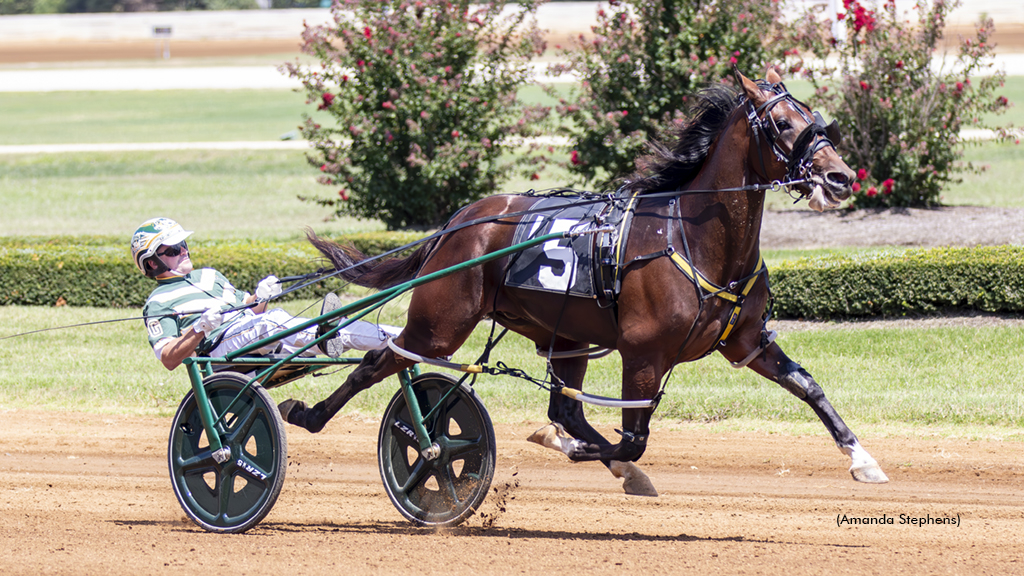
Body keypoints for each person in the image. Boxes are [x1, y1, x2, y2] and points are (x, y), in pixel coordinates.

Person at [131, 217, 401, 370]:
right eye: (173, 250)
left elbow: (248, 309)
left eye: (183, 245)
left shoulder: (209, 275)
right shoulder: (157, 303)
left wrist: (260, 297)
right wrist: (199, 329)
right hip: (217, 353)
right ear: (152, 263)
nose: (184, 251)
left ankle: (401, 338)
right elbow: (168, 358)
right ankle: (322, 338)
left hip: (249, 336)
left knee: (332, 325)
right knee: (272, 322)